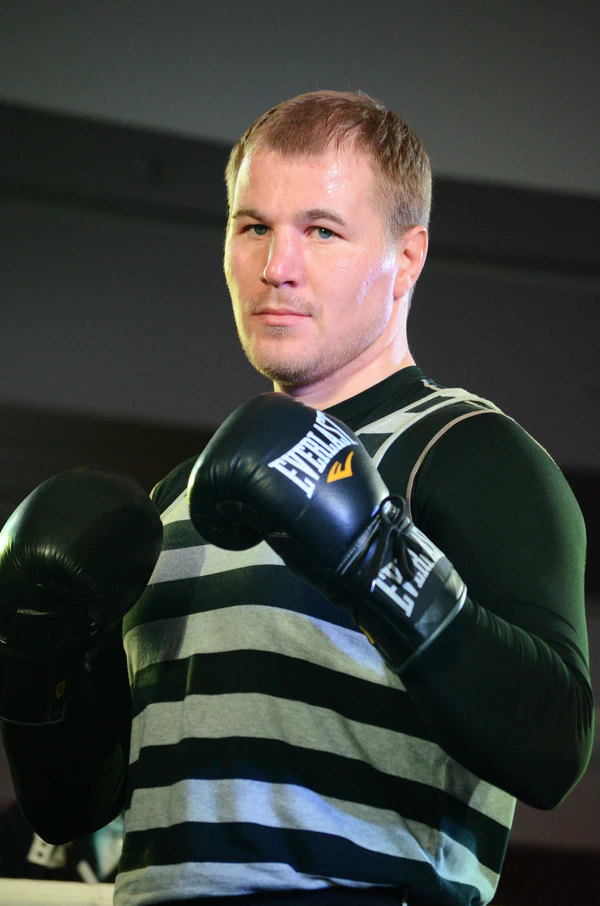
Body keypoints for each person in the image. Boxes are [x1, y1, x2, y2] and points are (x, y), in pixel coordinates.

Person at [0, 91, 593, 906]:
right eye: (253, 227)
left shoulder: (468, 453)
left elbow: (555, 747)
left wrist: (375, 555)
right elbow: (73, 811)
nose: (277, 266)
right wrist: (39, 657)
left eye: (321, 230)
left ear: (407, 257)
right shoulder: (177, 501)